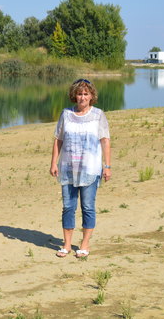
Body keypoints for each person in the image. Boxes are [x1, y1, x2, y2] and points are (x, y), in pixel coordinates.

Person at [50, 79, 111, 258]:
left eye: (86, 94)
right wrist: (54, 162)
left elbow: (105, 140)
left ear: (91, 96)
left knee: (87, 206)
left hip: (90, 169)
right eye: (79, 94)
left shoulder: (98, 115)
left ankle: (85, 244)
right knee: (68, 206)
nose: (82, 97)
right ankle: (67, 244)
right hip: (68, 168)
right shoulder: (66, 114)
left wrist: (107, 166)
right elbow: (58, 139)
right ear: (74, 95)